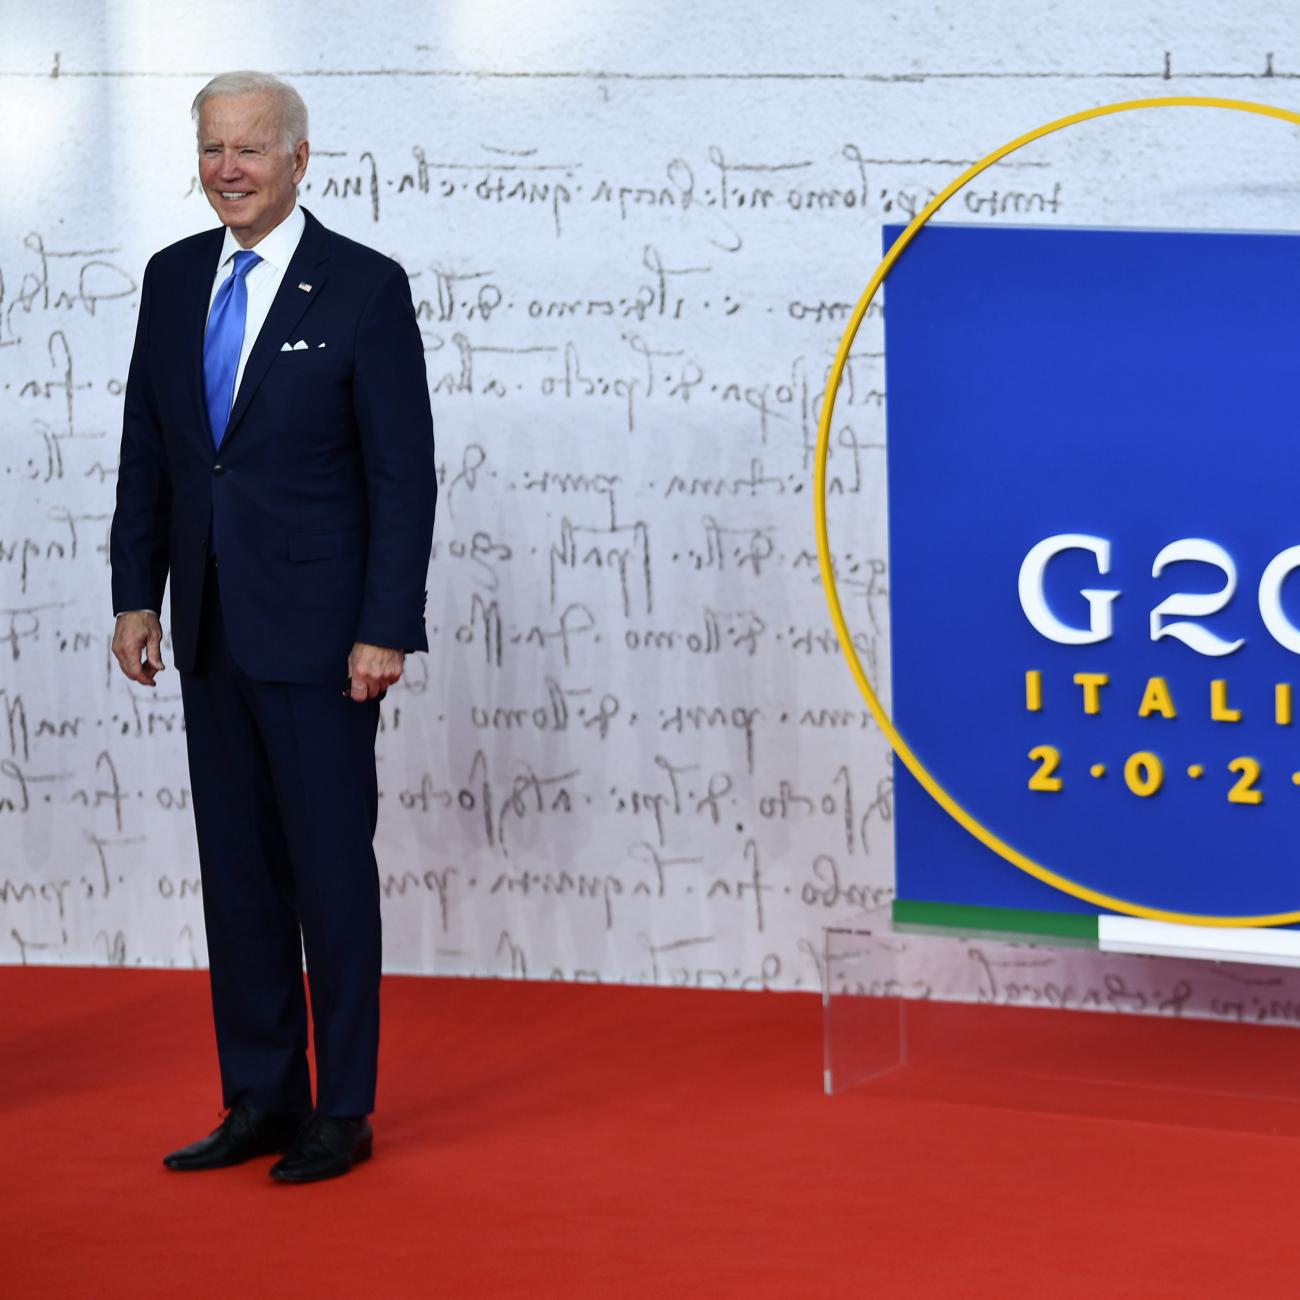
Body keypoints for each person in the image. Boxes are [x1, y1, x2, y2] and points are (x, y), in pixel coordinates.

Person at [109, 70, 436, 1183]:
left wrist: (385, 624)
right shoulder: (169, 278)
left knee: (330, 875)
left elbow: (403, 476)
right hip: (205, 631)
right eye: (213, 148)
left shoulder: (363, 287)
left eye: (252, 148)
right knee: (238, 876)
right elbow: (151, 452)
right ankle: (258, 1095)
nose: (230, 169)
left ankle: (340, 1107)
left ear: (302, 158)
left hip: (325, 639)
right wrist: (132, 594)